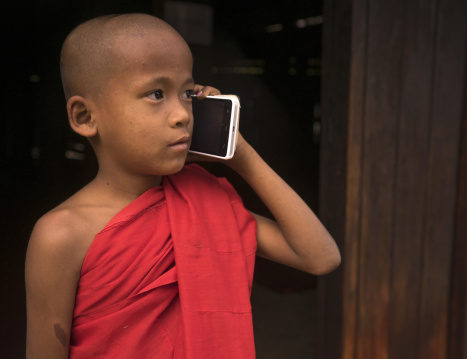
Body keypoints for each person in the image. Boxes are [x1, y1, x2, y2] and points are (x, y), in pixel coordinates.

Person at [25, 13, 340, 359]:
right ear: (85, 117)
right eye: (156, 93)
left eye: (188, 93)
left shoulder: (203, 200)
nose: (182, 114)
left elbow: (320, 257)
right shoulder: (60, 235)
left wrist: (241, 156)